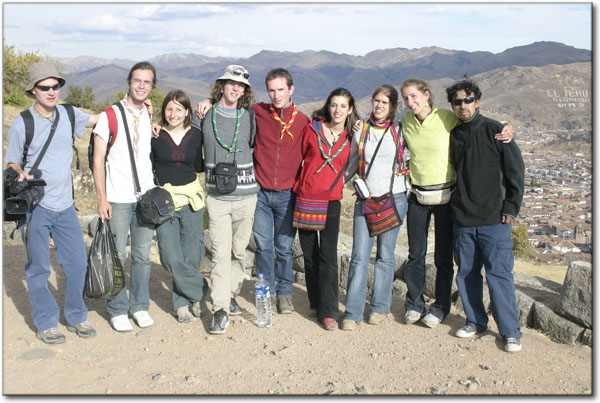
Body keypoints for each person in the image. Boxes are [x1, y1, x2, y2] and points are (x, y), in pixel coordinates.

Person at [399, 78, 513, 329]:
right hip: (418, 197)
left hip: (447, 198)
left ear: (427, 95)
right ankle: (414, 304)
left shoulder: (446, 118)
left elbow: (478, 123)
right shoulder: (404, 124)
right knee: (415, 255)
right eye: (406, 98)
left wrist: (508, 125)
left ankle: (439, 308)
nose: (411, 102)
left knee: (442, 257)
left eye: (415, 96)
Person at [198, 68, 310, 315]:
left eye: (281, 89)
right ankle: (265, 292)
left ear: (291, 90)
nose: (276, 94)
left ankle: (285, 294)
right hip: (258, 193)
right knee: (263, 246)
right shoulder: (257, 112)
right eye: (271, 89)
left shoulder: (301, 120)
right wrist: (208, 102)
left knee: (283, 247)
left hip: (285, 195)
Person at [5, 61, 99, 343]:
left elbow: (98, 119)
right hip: (36, 206)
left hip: (66, 206)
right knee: (38, 268)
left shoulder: (69, 113)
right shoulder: (23, 122)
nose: (51, 92)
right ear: (33, 91)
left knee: (77, 265)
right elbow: (11, 160)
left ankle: (76, 316)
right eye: (44, 87)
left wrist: (136, 110)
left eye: (55, 86)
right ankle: (46, 322)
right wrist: (17, 171)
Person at [446, 79, 525, 352]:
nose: (463, 105)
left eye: (467, 100)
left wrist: (511, 207)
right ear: (453, 106)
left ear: (477, 101)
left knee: (499, 274)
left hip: (495, 219)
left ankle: (510, 331)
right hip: (464, 218)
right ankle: (475, 321)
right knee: (467, 273)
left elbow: (515, 171)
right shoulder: (454, 134)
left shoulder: (496, 130)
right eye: (457, 101)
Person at [193, 65, 259, 334]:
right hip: (217, 197)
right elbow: (180, 130)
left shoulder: (250, 117)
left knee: (238, 252)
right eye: (231, 83)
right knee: (220, 253)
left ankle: (229, 292)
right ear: (221, 86)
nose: (235, 89)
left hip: (247, 195)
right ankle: (220, 308)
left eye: (240, 85)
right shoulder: (204, 115)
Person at [92, 61, 157, 332]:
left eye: (147, 82)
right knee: (117, 255)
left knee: (142, 255)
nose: (141, 86)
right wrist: (101, 198)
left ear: (152, 86)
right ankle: (118, 308)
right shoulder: (110, 115)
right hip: (117, 197)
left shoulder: (147, 114)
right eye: (137, 80)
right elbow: (97, 161)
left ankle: (140, 305)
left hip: (145, 197)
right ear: (129, 82)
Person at [341, 85, 409, 330]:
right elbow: (351, 163)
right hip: (366, 201)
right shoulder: (361, 130)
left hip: (394, 199)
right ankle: (352, 312)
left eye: (384, 102)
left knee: (385, 257)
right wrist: (336, 182)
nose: (379, 106)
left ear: (392, 107)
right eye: (376, 101)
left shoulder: (400, 131)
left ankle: (379, 308)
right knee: (359, 257)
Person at [293, 88, 360, 330]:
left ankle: (329, 311)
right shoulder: (312, 130)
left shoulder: (352, 137)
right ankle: (315, 300)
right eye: (334, 105)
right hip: (306, 198)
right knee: (310, 256)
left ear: (350, 109)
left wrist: (344, 180)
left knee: (328, 256)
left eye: (343, 106)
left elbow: (355, 163)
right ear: (328, 107)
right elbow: (297, 158)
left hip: (331, 200)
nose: (338, 110)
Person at [150, 90, 208, 323]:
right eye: (169, 109)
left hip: (192, 200)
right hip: (164, 201)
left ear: (187, 112)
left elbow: (199, 164)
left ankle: (182, 303)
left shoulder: (196, 135)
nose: (174, 114)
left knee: (192, 254)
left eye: (179, 109)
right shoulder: (153, 134)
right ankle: (201, 292)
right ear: (163, 111)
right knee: (171, 256)